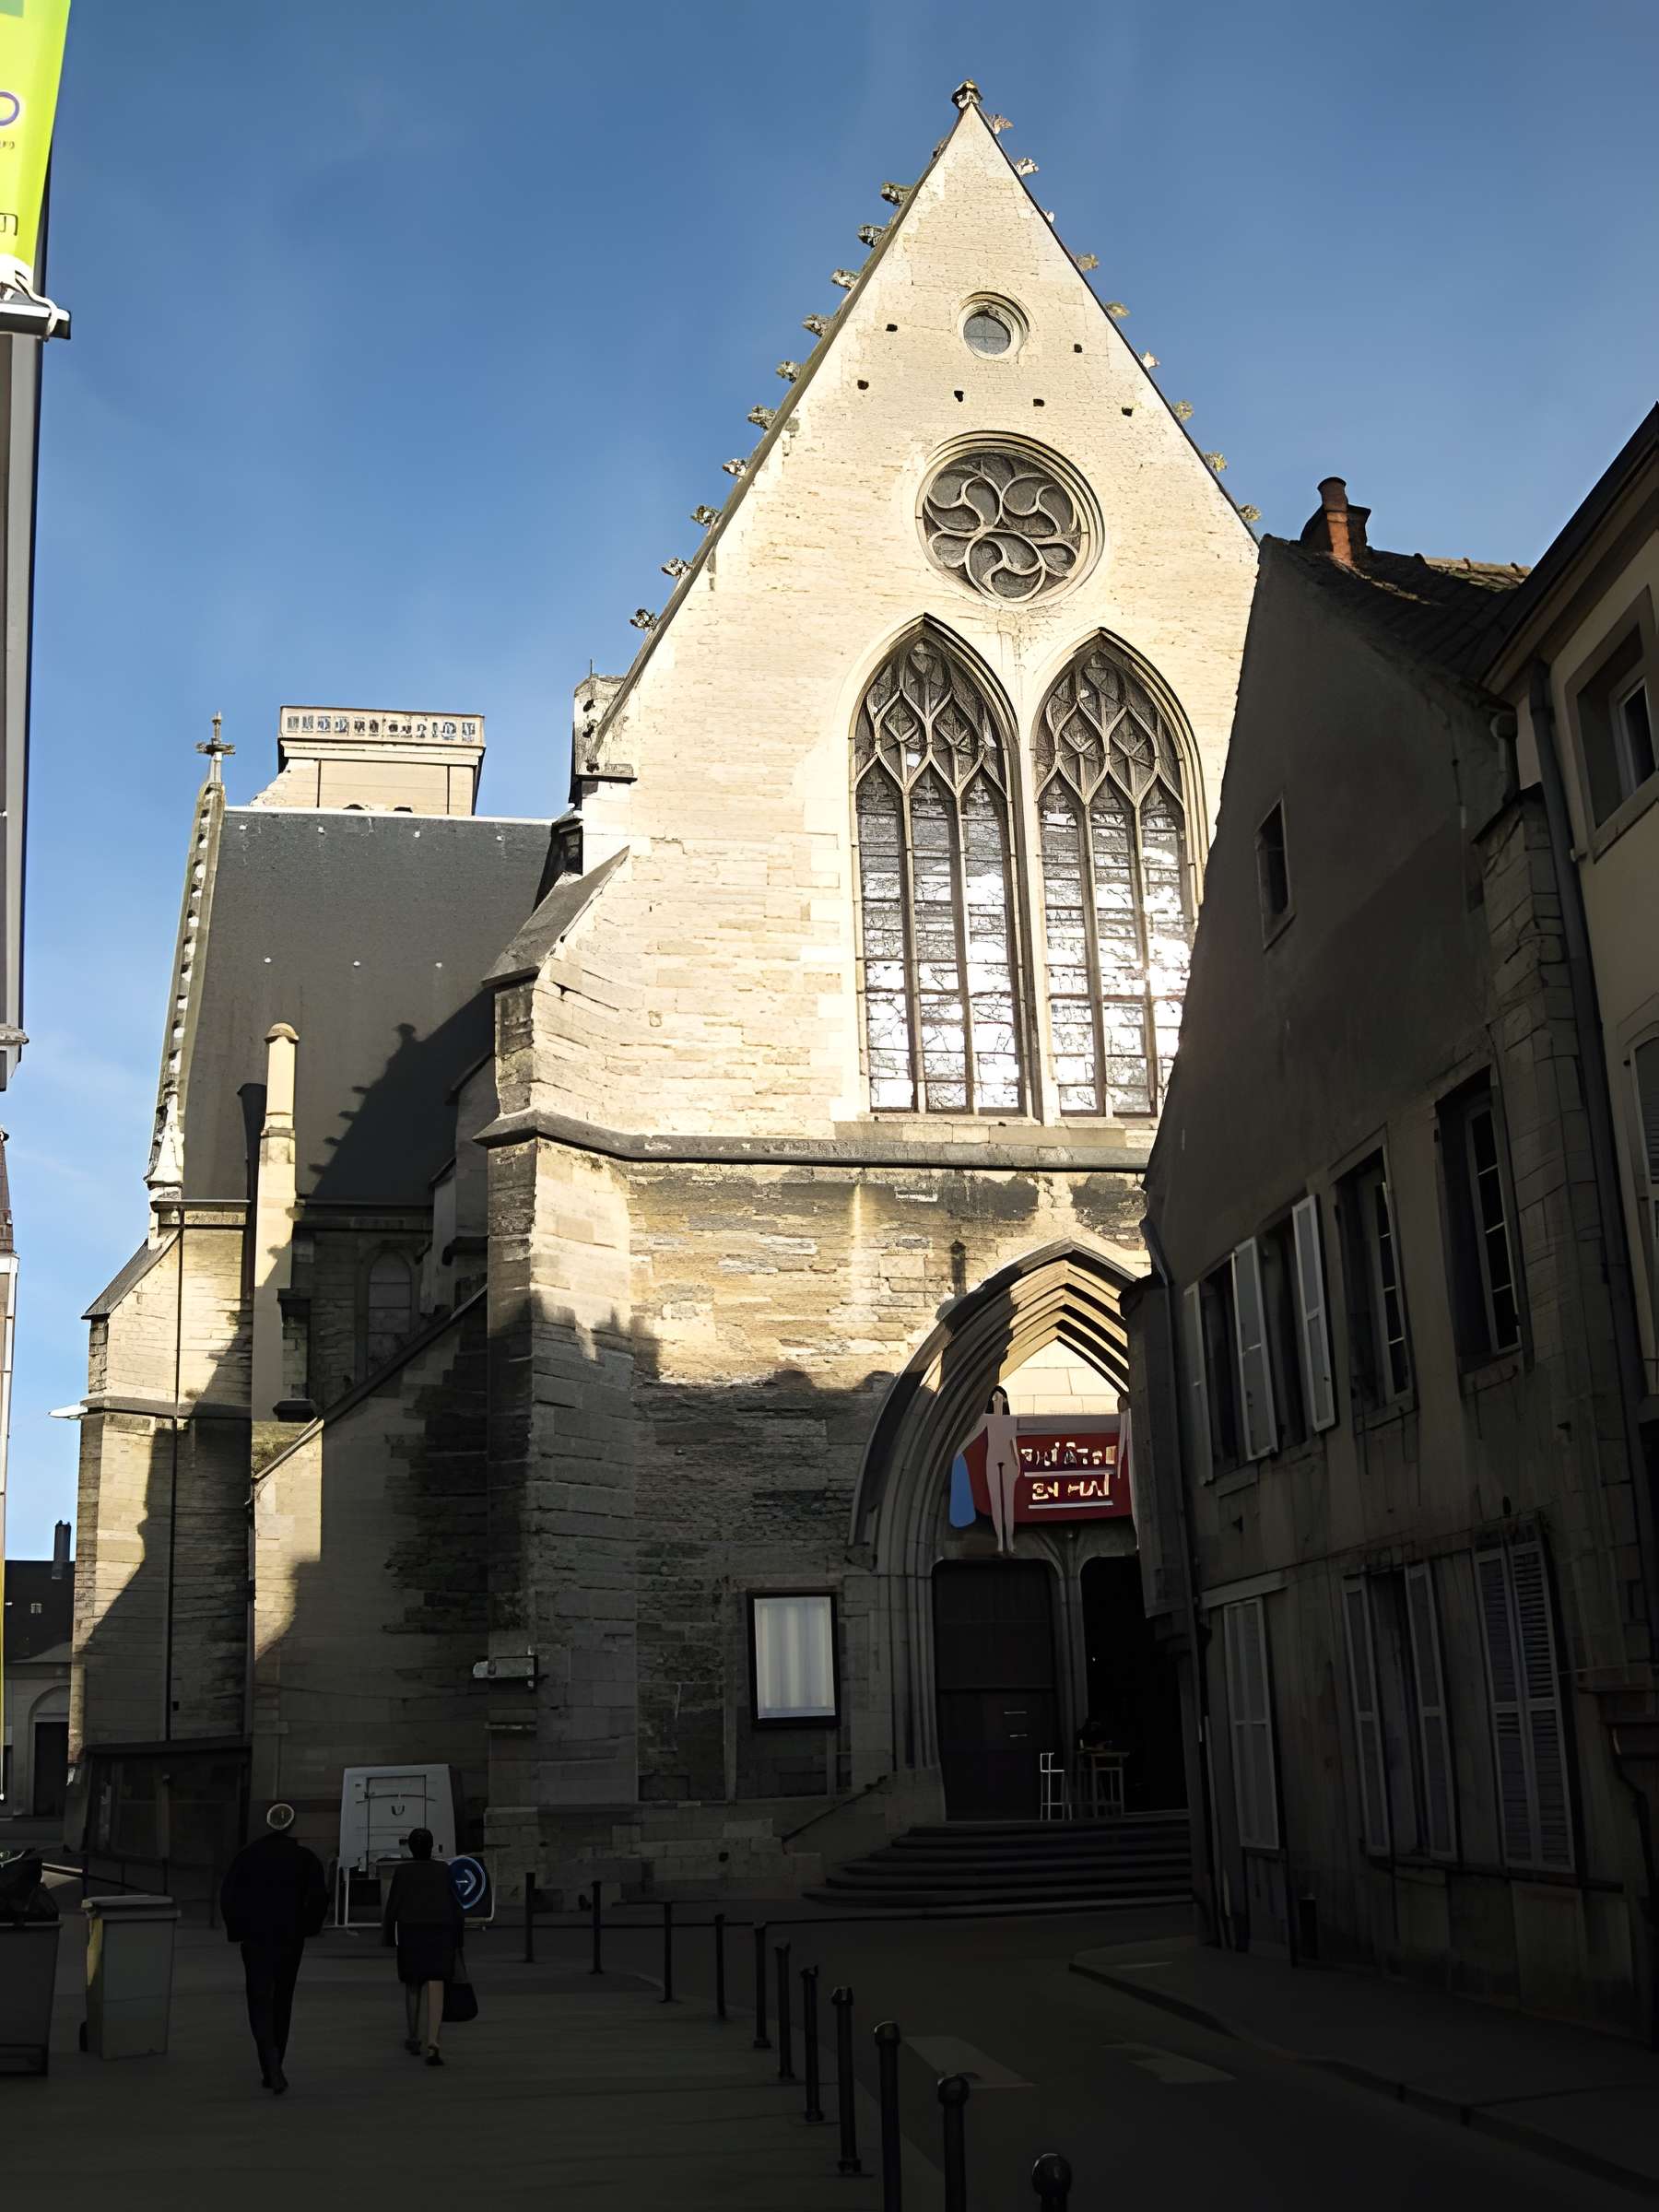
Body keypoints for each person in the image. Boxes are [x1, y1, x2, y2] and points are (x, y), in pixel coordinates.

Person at [218, 1802, 328, 2095]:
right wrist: (307, 1928)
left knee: (259, 1999)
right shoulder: (304, 1858)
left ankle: (270, 2062)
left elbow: (228, 1895)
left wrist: (238, 1930)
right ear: (291, 1826)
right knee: (283, 1999)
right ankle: (277, 2058)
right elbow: (318, 1898)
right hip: (291, 1939)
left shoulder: (247, 1857)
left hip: (255, 1939)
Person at [381, 1826, 464, 2066]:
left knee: (413, 1985)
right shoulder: (443, 1870)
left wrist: (387, 1937)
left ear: (411, 1848)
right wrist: (458, 1940)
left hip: (411, 1930)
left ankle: (413, 2036)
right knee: (437, 1984)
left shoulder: (403, 1872)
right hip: (440, 1931)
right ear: (431, 1847)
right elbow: (455, 1904)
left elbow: (393, 1905)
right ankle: (433, 2043)